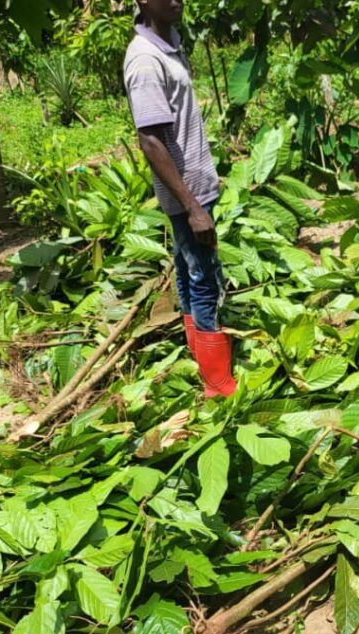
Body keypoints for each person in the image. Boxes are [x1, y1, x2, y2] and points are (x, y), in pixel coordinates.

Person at [124, 0, 236, 397]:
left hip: (193, 186)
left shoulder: (170, 40)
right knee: (204, 278)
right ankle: (218, 383)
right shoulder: (144, 61)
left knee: (190, 272)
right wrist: (193, 209)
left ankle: (199, 355)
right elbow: (150, 141)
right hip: (185, 193)